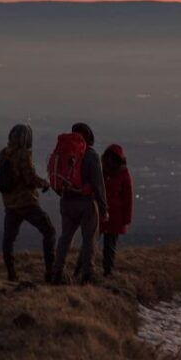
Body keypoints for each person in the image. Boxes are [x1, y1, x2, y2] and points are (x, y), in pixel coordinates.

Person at [0, 124, 56, 282]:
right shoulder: (23, 154)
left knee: (8, 239)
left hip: (9, 204)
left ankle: (11, 273)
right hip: (26, 202)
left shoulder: (1, 154)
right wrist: (45, 184)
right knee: (49, 231)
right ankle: (50, 272)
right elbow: (30, 178)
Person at [51, 122, 107, 284]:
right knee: (89, 238)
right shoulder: (91, 155)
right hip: (86, 203)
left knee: (65, 238)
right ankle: (88, 274)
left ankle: (57, 272)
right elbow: (99, 184)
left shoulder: (64, 153)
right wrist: (104, 208)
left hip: (66, 201)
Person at [100, 144, 133, 276]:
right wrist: (126, 219)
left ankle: (88, 270)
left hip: (104, 214)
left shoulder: (103, 171)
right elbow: (128, 198)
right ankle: (107, 271)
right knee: (109, 245)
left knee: (95, 243)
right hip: (113, 216)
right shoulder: (123, 174)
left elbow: (127, 198)